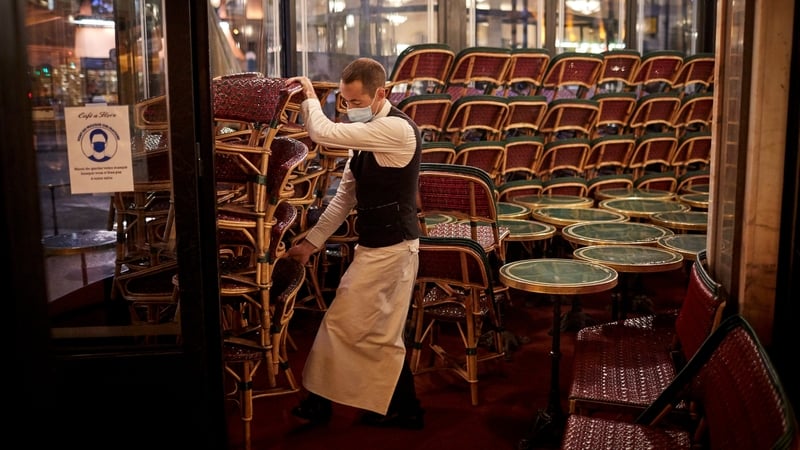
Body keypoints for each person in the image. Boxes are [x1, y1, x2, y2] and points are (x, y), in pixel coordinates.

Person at [285, 58, 424, 429]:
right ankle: (404, 408)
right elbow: (344, 200)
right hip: (377, 246)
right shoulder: (366, 138)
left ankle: (322, 404)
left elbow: (322, 132)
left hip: (394, 248)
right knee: (378, 331)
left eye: (356, 102)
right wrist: (311, 244)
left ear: (381, 94)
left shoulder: (396, 128)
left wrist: (309, 95)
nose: (348, 109)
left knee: (349, 324)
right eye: (344, 102)